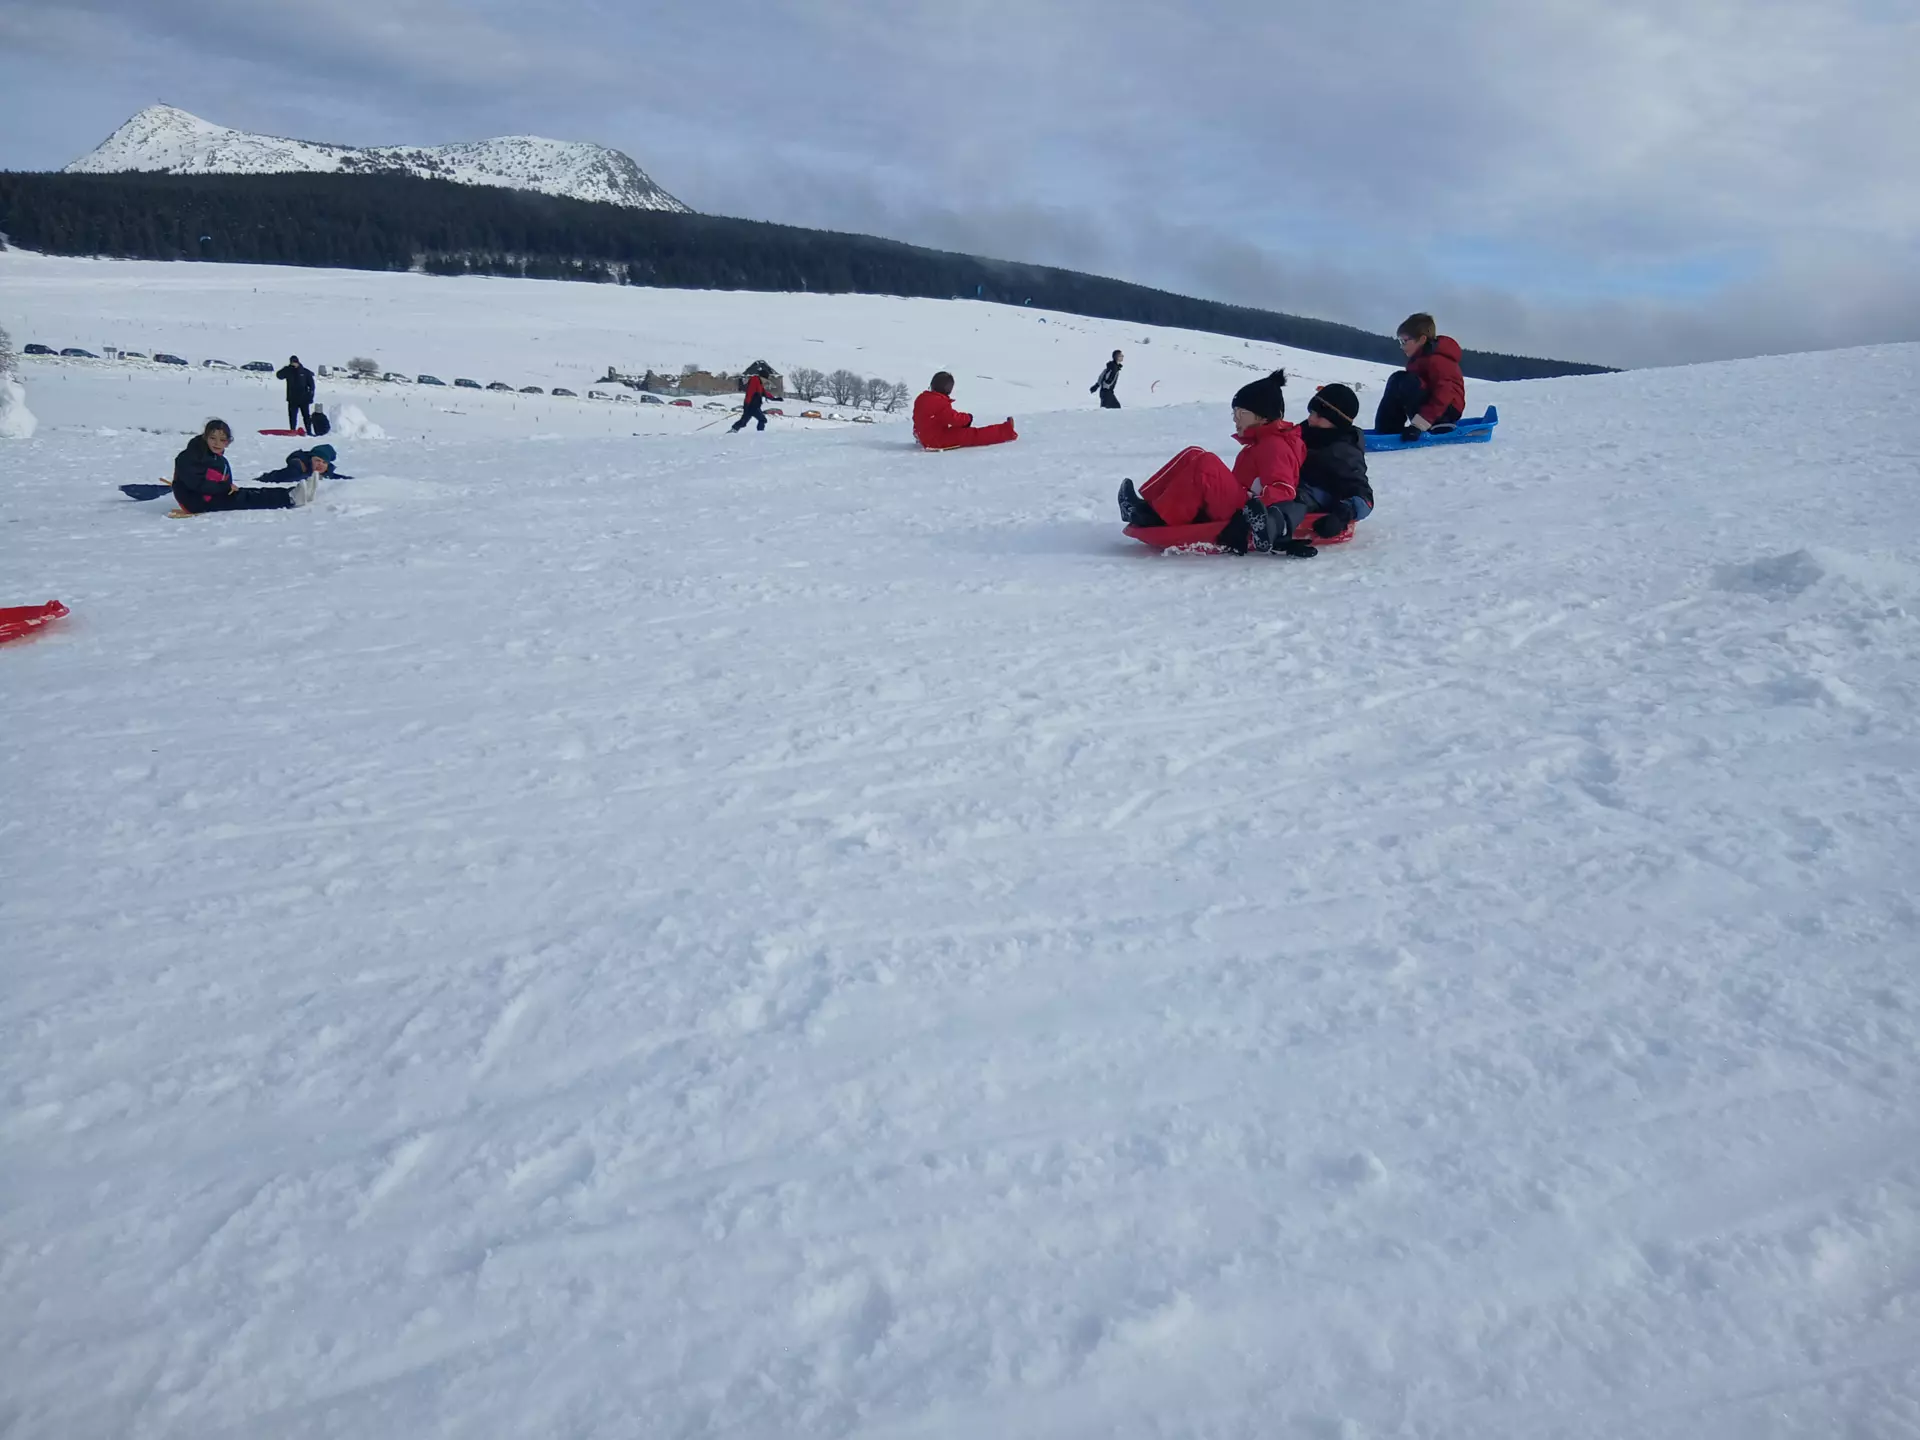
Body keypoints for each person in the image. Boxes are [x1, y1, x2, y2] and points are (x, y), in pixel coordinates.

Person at [1117, 369, 1309, 554]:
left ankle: (1159, 517)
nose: (1235, 419)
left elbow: (1284, 491)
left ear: (1263, 417)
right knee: (1194, 453)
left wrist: (1251, 512)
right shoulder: (1258, 445)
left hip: (1247, 514)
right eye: (1234, 413)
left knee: (1206, 465)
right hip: (1241, 503)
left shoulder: (1275, 446)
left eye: (1241, 413)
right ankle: (1148, 506)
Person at [1276, 383, 1373, 540]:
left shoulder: (1344, 453)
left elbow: (1364, 498)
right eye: (1311, 412)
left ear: (1337, 422)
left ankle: (1273, 520)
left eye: (1319, 416)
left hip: (1312, 498)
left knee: (1298, 494)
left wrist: (1341, 517)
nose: (1311, 419)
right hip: (1285, 485)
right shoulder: (1305, 433)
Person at [170, 419, 324, 512]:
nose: (217, 444)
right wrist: (225, 488)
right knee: (246, 498)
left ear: (228, 441)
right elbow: (198, 484)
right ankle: (290, 498)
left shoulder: (215, 457)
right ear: (205, 438)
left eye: (222, 440)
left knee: (249, 492)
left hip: (207, 496)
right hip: (195, 502)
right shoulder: (190, 456)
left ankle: (294, 493)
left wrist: (226, 487)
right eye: (213, 438)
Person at [1373, 313, 1464, 440]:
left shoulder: (1437, 360)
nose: (1401, 346)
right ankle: (1387, 429)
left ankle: (1440, 425)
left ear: (1422, 340)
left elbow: (1444, 394)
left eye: (1405, 341)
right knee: (1398, 379)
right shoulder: (1419, 359)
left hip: (1446, 411)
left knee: (1407, 382)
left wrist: (1419, 425)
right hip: (1434, 408)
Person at [912, 372, 1017, 450]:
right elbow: (953, 418)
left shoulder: (922, 398)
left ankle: (923, 438)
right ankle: (1006, 431)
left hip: (924, 435)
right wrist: (967, 418)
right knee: (972, 435)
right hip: (936, 441)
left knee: (958, 431)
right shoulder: (939, 402)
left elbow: (920, 418)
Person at [276, 355, 317, 433]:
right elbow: (279, 376)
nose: (293, 364)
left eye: (295, 362)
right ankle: (293, 430)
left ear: (298, 362)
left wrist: (310, 397)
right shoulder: (288, 371)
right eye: (292, 362)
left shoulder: (305, 372)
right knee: (292, 416)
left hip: (304, 399)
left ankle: (309, 431)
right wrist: (286, 369)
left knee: (306, 416)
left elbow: (312, 386)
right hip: (292, 398)